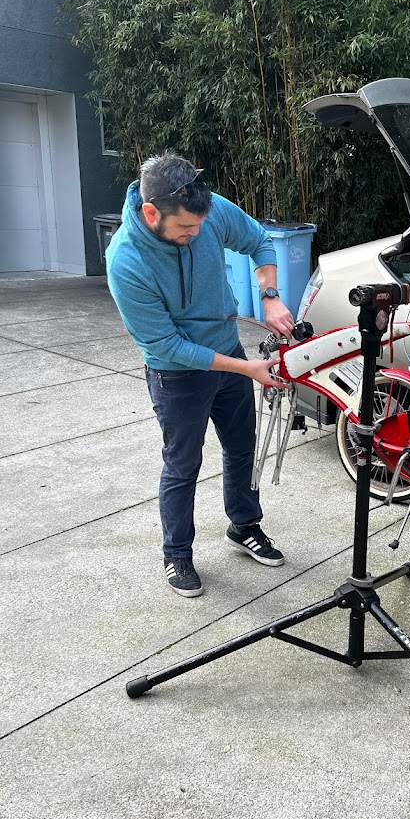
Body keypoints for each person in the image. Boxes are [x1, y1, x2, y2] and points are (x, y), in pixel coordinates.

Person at [106, 152, 294, 598]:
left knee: (241, 447)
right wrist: (248, 368)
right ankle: (177, 555)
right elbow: (167, 345)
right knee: (182, 464)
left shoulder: (204, 211)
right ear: (151, 213)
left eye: (199, 227)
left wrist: (269, 296)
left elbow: (259, 242)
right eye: (185, 230)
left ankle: (244, 526)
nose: (194, 236)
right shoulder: (126, 262)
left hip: (228, 353)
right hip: (177, 376)